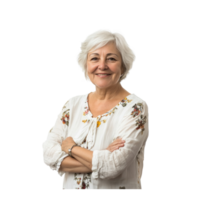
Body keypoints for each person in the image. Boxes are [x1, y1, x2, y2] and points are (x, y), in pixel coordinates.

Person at [40, 28, 151, 190]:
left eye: (111, 59)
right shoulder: (71, 105)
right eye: (94, 58)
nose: (102, 66)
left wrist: (71, 148)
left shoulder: (136, 107)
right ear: (86, 64)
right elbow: (47, 155)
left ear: (123, 65)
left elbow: (114, 166)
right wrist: (101, 157)